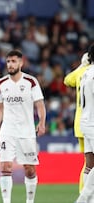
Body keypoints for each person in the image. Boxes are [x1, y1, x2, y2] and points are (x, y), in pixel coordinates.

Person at [0, 50, 46, 203]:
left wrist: (42, 122)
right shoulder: (1, 83)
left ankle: (30, 201)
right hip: (7, 131)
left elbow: (40, 104)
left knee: (29, 169)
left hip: (26, 131)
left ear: (21, 63)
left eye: (13, 61)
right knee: (5, 167)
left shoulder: (31, 82)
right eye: (8, 61)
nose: (10, 64)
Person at [63, 52, 90, 193]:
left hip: (80, 122)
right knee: (89, 163)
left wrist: (81, 65)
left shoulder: (82, 72)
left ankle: (84, 194)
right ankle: (84, 194)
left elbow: (67, 80)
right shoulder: (91, 73)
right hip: (90, 122)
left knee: (88, 163)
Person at [75, 44, 94, 203]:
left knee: (90, 163)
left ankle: (88, 198)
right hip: (93, 123)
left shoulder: (86, 73)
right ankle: (85, 197)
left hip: (85, 122)